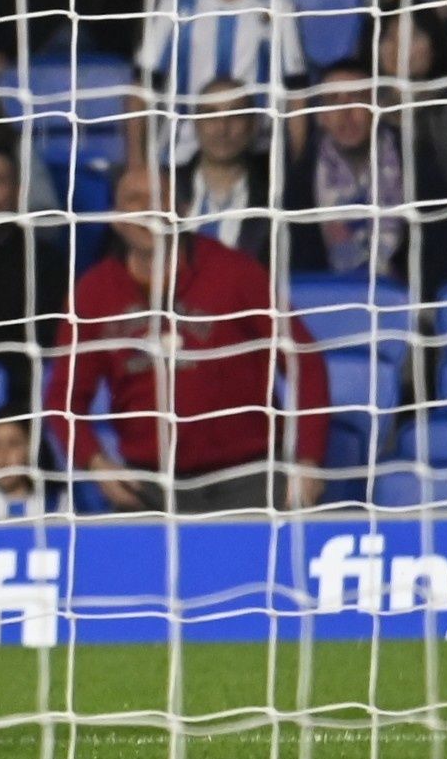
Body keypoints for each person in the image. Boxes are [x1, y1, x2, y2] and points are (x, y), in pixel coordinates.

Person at [49, 164, 331, 511]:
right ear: (115, 216)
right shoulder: (92, 293)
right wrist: (95, 464)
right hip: (149, 486)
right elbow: (64, 399)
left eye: (159, 197)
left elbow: (305, 360)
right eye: (133, 199)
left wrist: (308, 460)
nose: (146, 209)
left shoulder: (236, 273)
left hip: (249, 479)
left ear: (183, 209)